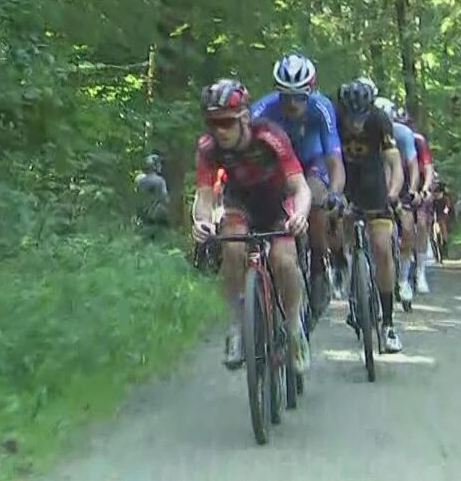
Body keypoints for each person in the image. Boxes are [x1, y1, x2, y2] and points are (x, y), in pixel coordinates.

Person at [190, 79, 312, 373]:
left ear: (244, 117)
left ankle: (294, 329)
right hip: (240, 202)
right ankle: (236, 326)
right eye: (212, 123)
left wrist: (301, 215)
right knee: (231, 245)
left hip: (276, 202)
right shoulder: (208, 147)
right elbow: (204, 195)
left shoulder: (270, 137)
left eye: (226, 122)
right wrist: (201, 221)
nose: (220, 130)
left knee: (283, 262)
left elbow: (300, 187)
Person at [250, 53, 347, 309]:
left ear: (310, 91)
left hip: (312, 162)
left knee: (317, 199)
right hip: (278, 166)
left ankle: (317, 265)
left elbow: (334, 160)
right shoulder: (261, 110)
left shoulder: (322, 107)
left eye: (299, 97)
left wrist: (335, 193)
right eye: (286, 96)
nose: (292, 104)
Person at [336, 79, 405, 353]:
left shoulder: (379, 120)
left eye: (360, 116)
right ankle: (345, 271)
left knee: (381, 247)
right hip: (345, 182)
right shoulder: (336, 118)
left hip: (374, 184)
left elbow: (394, 164)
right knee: (334, 225)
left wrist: (393, 193)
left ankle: (388, 324)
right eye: (351, 116)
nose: (355, 122)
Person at [375, 97, 422, 303]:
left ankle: (403, 279)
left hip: (399, 182)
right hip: (373, 184)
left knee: (408, 226)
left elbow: (412, 165)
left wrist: (412, 190)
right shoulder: (365, 132)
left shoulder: (403, 134)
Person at [399, 107, 436, 293]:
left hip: (419, 183)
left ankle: (421, 271)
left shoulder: (418, 141)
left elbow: (428, 168)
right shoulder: (389, 140)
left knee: (421, 224)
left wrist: (425, 189)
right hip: (398, 184)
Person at [134, 154, 169, 230]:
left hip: (143, 218)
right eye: (159, 164)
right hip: (156, 219)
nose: (160, 166)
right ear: (154, 166)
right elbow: (165, 199)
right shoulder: (160, 181)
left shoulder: (140, 181)